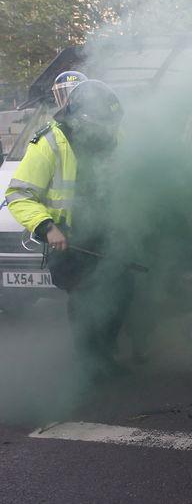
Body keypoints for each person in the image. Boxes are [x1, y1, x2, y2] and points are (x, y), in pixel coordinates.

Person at [5, 80, 130, 377]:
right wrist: (47, 227)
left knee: (123, 291)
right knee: (85, 298)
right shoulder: (50, 142)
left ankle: (104, 353)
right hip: (71, 238)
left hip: (108, 235)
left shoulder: (114, 136)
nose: (108, 130)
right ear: (83, 118)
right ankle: (92, 365)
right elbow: (18, 195)